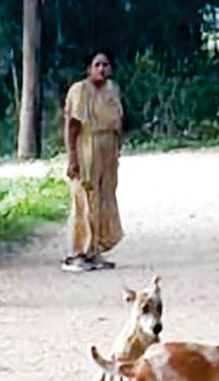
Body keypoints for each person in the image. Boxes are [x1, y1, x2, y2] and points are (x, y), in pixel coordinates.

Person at [62, 52, 124, 273]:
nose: (102, 69)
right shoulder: (80, 90)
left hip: (108, 148)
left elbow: (118, 120)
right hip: (87, 145)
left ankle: (95, 249)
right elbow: (72, 126)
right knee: (86, 198)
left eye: (106, 65)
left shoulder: (112, 89)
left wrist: (118, 147)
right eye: (97, 65)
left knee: (104, 198)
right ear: (89, 68)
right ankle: (79, 251)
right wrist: (72, 158)